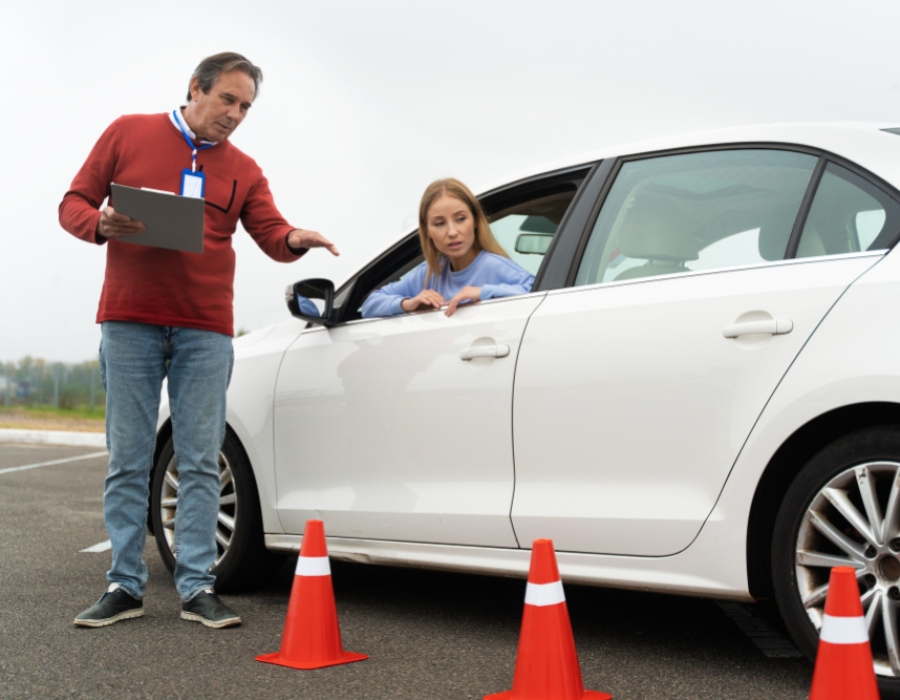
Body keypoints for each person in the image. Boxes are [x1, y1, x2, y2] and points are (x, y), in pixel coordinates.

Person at [59, 52, 338, 629]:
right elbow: (72, 204)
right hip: (130, 321)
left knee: (200, 460)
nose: (235, 114)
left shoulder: (244, 168)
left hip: (205, 330)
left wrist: (295, 238)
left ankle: (196, 587)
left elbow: (270, 231)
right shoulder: (128, 132)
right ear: (196, 89)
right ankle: (124, 585)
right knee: (130, 458)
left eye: (245, 107)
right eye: (227, 100)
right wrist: (100, 223)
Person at [361, 178, 534, 318]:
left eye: (460, 219)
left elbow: (541, 290)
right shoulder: (429, 273)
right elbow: (369, 304)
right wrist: (409, 304)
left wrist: (482, 292)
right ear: (427, 231)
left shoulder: (494, 265)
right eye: (439, 223)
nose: (452, 232)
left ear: (474, 220)